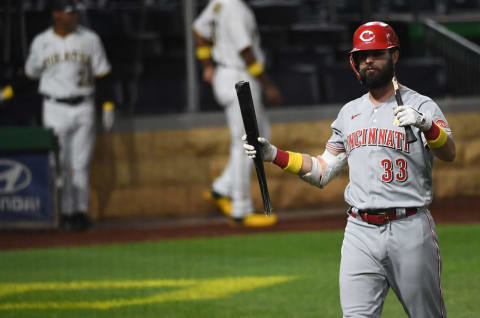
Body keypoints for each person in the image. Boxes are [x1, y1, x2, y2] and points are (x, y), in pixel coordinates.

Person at [244, 21, 455, 317]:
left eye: (376, 53)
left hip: (409, 228)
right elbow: (321, 171)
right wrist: (272, 154)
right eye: (362, 55)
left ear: (394, 55)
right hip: (360, 231)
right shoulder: (349, 113)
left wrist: (427, 124)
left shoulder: (422, 105)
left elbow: (449, 153)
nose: (368, 60)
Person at [21, 0, 115, 230]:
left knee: (81, 164)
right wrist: (9, 91)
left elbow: (103, 74)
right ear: (56, 14)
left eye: (75, 13)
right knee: (59, 164)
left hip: (84, 105)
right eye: (69, 13)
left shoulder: (90, 39)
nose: (74, 17)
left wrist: (108, 104)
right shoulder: (42, 42)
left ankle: (79, 212)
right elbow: (30, 76)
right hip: (54, 107)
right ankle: (63, 212)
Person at [192, 0, 283, 227]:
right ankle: (241, 209)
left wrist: (207, 65)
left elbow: (199, 29)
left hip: (227, 74)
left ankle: (222, 188)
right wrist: (268, 85)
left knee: (261, 136)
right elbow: (246, 51)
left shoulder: (220, 2)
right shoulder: (234, 7)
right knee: (248, 144)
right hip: (239, 77)